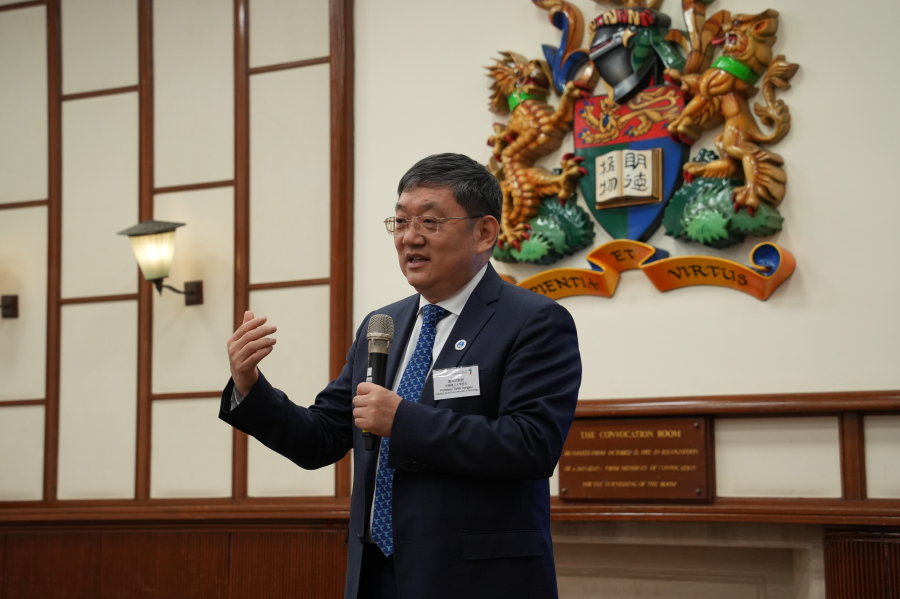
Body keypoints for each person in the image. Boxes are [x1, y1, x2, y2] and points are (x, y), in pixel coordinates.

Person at [220, 153, 581, 599]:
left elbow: (532, 445)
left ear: (484, 232)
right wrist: (250, 386)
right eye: (401, 222)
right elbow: (321, 438)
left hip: (475, 580)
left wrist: (403, 420)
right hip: (376, 575)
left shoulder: (533, 321)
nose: (410, 237)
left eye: (430, 222)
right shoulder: (382, 325)